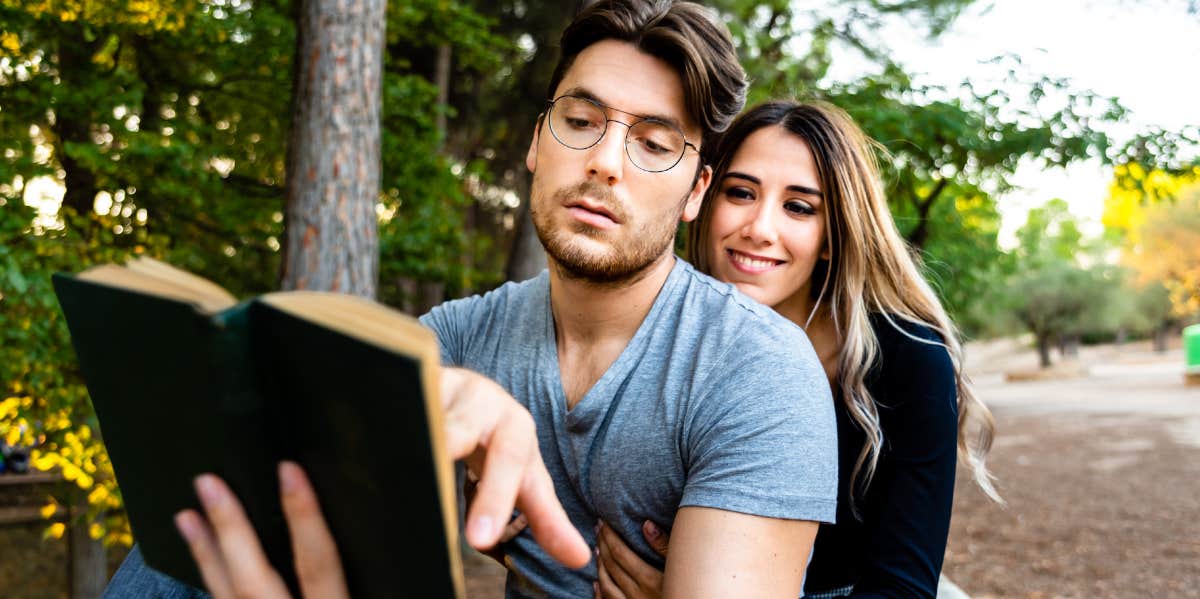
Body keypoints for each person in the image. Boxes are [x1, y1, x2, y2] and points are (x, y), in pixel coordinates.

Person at [102, 2, 839, 598]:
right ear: (536, 143)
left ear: (695, 192)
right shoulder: (461, 333)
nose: (605, 162)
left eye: (654, 142)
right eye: (581, 121)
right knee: (224, 499)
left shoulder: (758, 370)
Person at [589, 100, 1002, 599]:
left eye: (799, 207)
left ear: (831, 236)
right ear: (702, 199)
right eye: (741, 193)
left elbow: (902, 588)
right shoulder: (646, 330)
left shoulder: (909, 359)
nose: (760, 229)